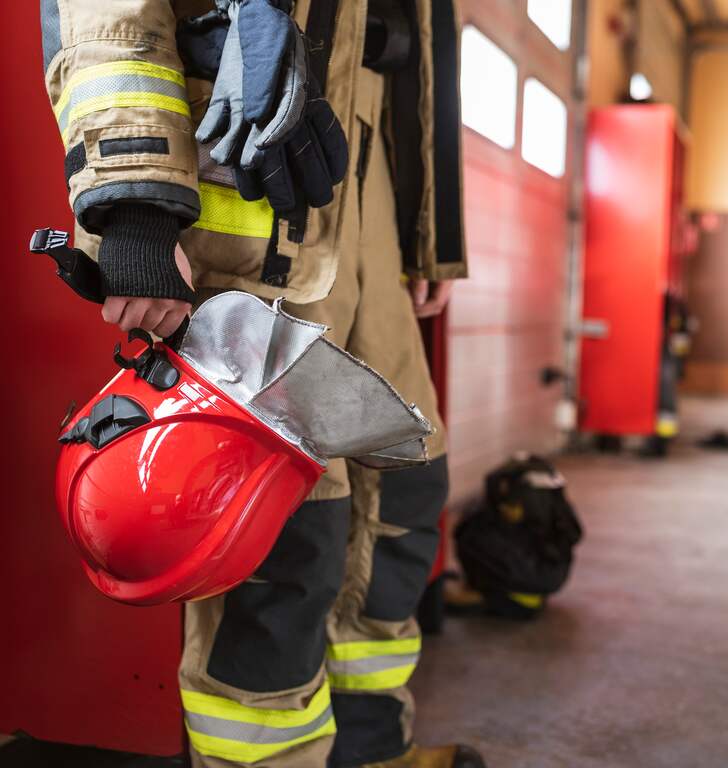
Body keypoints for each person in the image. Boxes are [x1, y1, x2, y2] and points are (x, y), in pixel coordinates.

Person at [40, 0, 482, 765]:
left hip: (360, 154)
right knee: (283, 534)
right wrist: (136, 203)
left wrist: (431, 228)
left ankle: (369, 747)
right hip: (250, 153)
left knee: (402, 488)